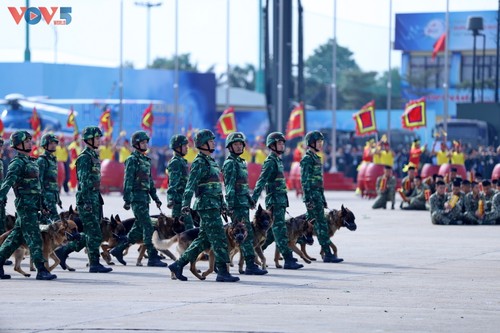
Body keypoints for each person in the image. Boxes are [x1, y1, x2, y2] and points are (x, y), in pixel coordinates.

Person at [168, 129, 239, 282]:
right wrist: (185, 204)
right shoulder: (199, 162)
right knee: (220, 238)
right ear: (203, 144)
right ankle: (222, 272)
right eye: (211, 141)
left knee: (203, 241)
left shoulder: (211, 161)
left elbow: (216, 187)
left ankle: (178, 265)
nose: (214, 143)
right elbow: (190, 184)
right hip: (206, 206)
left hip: (214, 205)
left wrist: (223, 205)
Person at [0, 131, 57, 280]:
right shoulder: (17, 163)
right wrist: (1, 196)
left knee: (15, 238)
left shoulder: (30, 161)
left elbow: (37, 187)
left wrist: (42, 204)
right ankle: (41, 270)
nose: (30, 143)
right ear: (19, 144)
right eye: (27, 141)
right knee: (35, 238)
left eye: (31, 140)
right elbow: (8, 181)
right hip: (25, 206)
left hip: (33, 205)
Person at [55, 127, 113, 273]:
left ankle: (64, 252)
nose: (99, 140)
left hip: (94, 198)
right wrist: (87, 202)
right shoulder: (85, 157)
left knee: (92, 233)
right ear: (89, 140)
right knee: (94, 233)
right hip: (87, 199)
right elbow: (83, 181)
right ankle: (93, 263)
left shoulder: (93, 155)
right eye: (97, 138)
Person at [109, 131, 166, 267]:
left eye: (146, 142)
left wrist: (156, 197)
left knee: (138, 229)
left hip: (145, 198)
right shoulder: (132, 160)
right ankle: (152, 256)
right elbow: (127, 180)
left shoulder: (146, 160)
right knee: (148, 226)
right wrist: (127, 199)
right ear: (136, 144)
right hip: (136, 198)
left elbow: (150, 182)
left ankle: (118, 250)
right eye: (142, 142)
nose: (145, 144)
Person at [251, 132, 303, 270]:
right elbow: (261, 181)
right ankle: (288, 259)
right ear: (272, 145)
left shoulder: (278, 161)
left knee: (272, 233)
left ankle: (251, 253)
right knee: (280, 230)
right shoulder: (270, 162)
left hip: (280, 202)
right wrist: (254, 198)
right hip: (274, 202)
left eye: (282, 143)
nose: (282, 145)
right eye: (279, 143)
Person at [222, 132, 268, 274]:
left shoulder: (241, 162)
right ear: (230, 147)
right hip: (236, 205)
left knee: (244, 235)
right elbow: (229, 186)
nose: (238, 146)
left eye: (240, 144)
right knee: (243, 235)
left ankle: (246, 264)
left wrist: (249, 200)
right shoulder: (230, 163)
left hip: (243, 204)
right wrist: (229, 206)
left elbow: (243, 185)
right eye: (235, 144)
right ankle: (249, 265)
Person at [300, 131, 341, 262]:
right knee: (321, 225)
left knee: (307, 226)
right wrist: (307, 199)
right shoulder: (307, 159)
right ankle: (327, 254)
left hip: (318, 196)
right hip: (312, 197)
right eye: (318, 142)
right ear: (311, 143)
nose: (320, 144)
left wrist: (323, 199)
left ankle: (288, 246)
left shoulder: (316, 158)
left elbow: (319, 182)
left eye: (321, 142)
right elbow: (305, 181)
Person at [166, 134, 193, 229]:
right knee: (186, 229)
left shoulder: (181, 161)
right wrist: (170, 199)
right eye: (185, 146)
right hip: (178, 202)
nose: (187, 148)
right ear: (177, 147)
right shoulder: (175, 162)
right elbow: (172, 182)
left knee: (182, 231)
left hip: (184, 200)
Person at [37, 133, 62, 224]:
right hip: (46, 197)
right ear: (45, 144)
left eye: (55, 143)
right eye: (51, 143)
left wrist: (58, 198)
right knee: (56, 222)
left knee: (45, 222)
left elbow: (53, 181)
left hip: (52, 196)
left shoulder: (52, 159)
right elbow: (39, 181)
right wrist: (42, 200)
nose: (54, 145)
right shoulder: (42, 160)